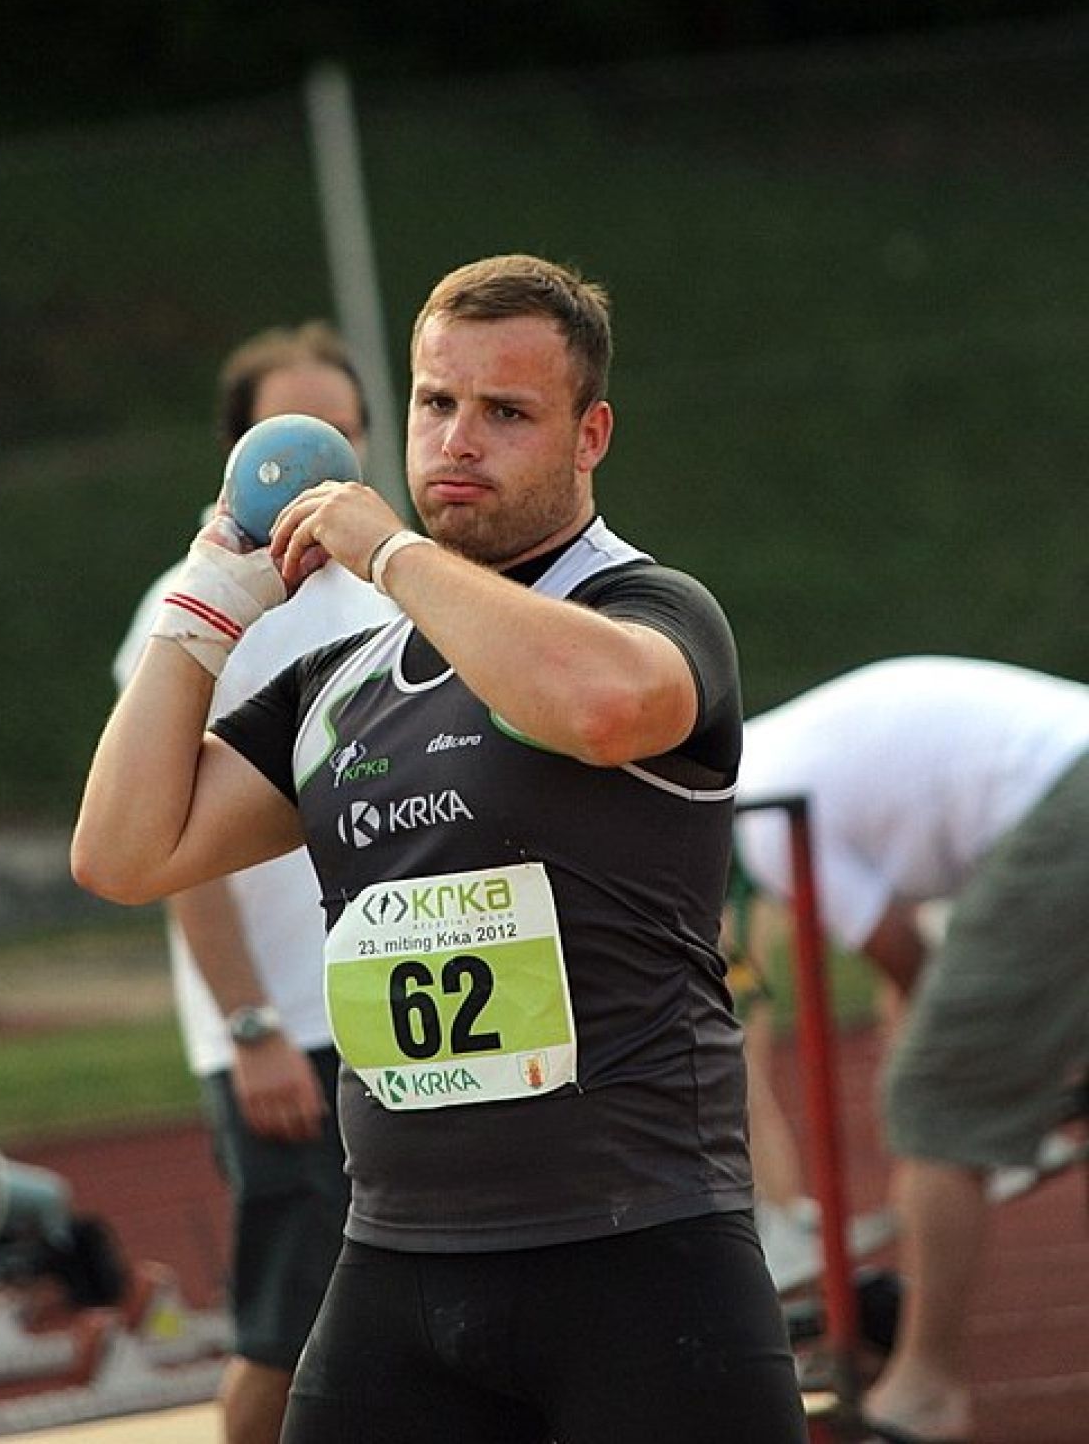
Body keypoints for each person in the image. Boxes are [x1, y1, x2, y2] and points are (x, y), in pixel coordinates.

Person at [73, 253, 808, 1444]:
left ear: (590, 435)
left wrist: (390, 555)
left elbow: (600, 710)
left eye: (506, 412)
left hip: (640, 1256)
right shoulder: (339, 685)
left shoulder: (651, 614)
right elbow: (121, 852)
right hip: (399, 1269)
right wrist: (205, 603)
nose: (458, 440)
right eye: (435, 402)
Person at [113, 321, 398, 1444]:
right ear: (241, 450)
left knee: (404, 1318)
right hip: (285, 1034)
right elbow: (164, 840)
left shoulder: (390, 587)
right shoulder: (194, 606)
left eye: (344, 428)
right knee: (291, 1335)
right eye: (293, 432)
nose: (321, 456)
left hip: (392, 1009)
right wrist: (251, 1027)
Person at [733, 655, 1089, 1443]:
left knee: (935, 1097)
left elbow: (900, 952)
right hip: (1063, 774)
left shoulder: (760, 816)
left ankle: (927, 1390)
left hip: (1064, 801)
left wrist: (938, 1084)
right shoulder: (772, 751)